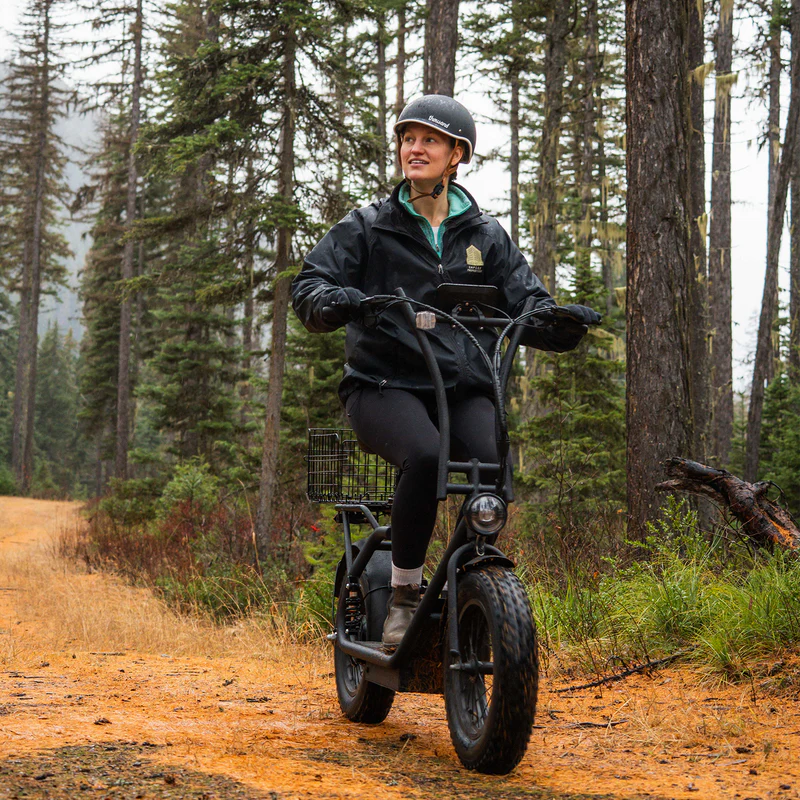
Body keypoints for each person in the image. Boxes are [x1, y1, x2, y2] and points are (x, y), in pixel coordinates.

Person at [292, 95, 600, 647]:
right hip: (384, 385)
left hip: (462, 384)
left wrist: (559, 322)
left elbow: (527, 302)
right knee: (428, 456)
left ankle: (475, 580)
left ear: (457, 154)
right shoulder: (368, 226)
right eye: (408, 138)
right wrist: (343, 302)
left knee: (490, 459)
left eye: (428, 140)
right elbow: (309, 284)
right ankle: (406, 593)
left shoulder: (485, 235)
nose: (414, 148)